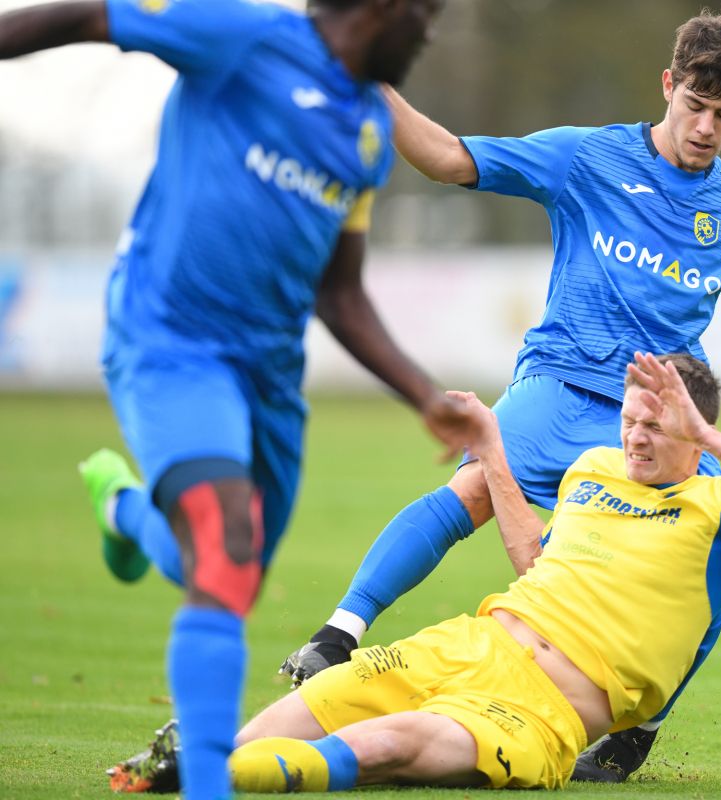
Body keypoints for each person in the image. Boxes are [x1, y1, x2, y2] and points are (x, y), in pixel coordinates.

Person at [281, 11, 721, 782]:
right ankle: (338, 635)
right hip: (561, 380)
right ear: (669, 85)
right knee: (472, 491)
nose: (705, 128)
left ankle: (639, 730)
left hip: (658, 412)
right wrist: (369, 78)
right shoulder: (587, 157)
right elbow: (447, 159)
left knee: (715, 545)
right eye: (695, 106)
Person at [0, 1, 473, 798]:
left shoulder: (367, 130)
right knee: (224, 541)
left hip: (269, 378)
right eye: (425, 13)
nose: (430, 33)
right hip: (172, 340)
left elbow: (340, 293)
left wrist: (422, 395)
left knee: (225, 566)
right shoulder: (244, 36)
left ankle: (123, 510)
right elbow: (90, 17)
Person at [114, 352, 721, 792]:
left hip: (543, 711)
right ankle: (187, 761)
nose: (634, 437)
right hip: (473, 641)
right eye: (630, 419)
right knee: (323, 701)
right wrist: (493, 449)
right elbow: (537, 561)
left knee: (393, 744)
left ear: (694, 433)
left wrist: (712, 439)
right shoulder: (593, 468)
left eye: (656, 427)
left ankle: (210, 778)